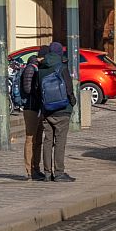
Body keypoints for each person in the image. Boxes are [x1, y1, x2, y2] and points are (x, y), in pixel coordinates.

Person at [38, 41, 77, 182]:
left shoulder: (41, 69)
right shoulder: (62, 67)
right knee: (60, 142)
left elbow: (38, 90)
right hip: (62, 109)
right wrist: (72, 102)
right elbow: (69, 88)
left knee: (47, 141)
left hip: (47, 110)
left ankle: (47, 173)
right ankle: (59, 172)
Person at [21, 46, 48, 181]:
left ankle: (36, 168)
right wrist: (39, 91)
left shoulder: (38, 68)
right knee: (30, 139)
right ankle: (29, 170)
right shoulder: (31, 68)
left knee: (38, 140)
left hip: (38, 108)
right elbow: (27, 88)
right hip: (31, 108)